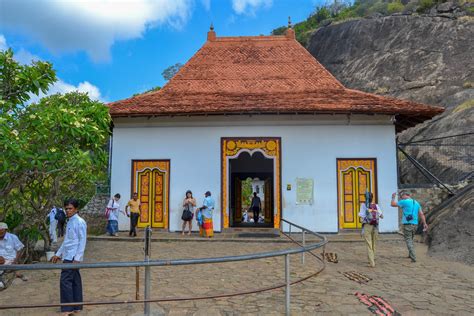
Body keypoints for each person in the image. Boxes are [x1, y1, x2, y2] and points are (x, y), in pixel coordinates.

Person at [51, 198, 87, 316]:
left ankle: (67, 309)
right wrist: (57, 254)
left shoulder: (80, 222)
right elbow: (67, 241)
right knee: (75, 280)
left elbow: (82, 241)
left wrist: (77, 258)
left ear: (76, 209)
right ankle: (77, 306)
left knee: (65, 281)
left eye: (70, 208)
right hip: (68, 255)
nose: (68, 211)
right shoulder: (70, 221)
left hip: (72, 257)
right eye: (66, 208)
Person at [391, 191, 428, 262]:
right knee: (411, 239)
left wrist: (393, 197)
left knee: (408, 240)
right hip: (415, 224)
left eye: (401, 196)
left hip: (407, 224)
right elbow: (421, 214)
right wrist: (425, 223)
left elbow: (392, 204)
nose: (401, 198)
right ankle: (410, 254)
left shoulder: (404, 202)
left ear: (405, 195)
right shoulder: (416, 203)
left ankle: (413, 257)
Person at [359, 193, 383, 267]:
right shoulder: (376, 206)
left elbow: (361, 217)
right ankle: (371, 259)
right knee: (373, 244)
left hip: (367, 226)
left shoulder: (363, 205)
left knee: (369, 244)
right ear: (372, 198)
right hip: (375, 226)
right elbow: (382, 216)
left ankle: (372, 262)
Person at [0, 222, 26, 289]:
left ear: (6, 230)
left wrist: (16, 260)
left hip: (10, 259)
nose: (0, 231)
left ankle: (2, 283)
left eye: (1, 229)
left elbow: (19, 249)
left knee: (2, 268)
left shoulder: (12, 237)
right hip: (1, 259)